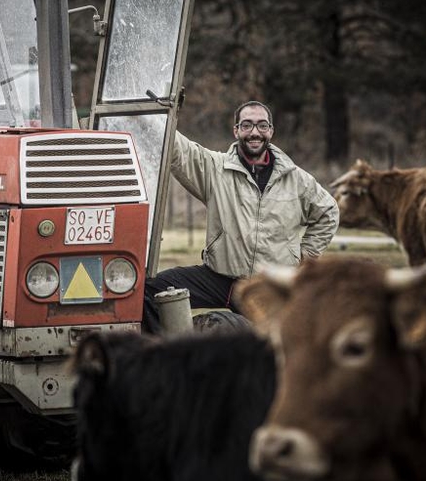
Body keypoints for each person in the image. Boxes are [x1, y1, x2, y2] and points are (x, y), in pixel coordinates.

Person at [143, 100, 339, 332]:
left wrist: (305, 255)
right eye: (247, 125)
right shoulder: (215, 169)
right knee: (150, 291)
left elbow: (328, 212)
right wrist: (152, 112)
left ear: (271, 131)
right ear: (236, 130)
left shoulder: (296, 179)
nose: (254, 132)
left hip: (268, 286)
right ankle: (168, 356)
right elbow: (178, 148)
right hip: (220, 278)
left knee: (273, 344)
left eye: (262, 125)